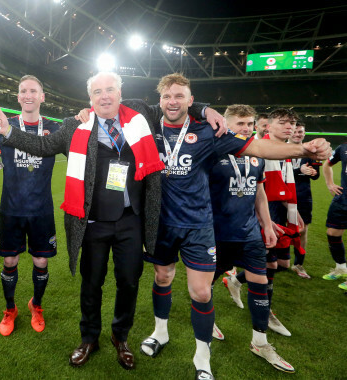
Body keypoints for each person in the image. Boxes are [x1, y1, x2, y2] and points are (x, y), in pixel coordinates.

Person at [0, 71, 218, 371]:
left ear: (120, 92)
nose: (104, 96)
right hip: (94, 221)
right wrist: (8, 133)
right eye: (97, 92)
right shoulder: (77, 125)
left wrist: (205, 109)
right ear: (90, 98)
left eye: (110, 89)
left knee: (128, 282)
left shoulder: (140, 115)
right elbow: (44, 147)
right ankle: (89, 338)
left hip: (130, 220)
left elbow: (175, 103)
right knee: (92, 282)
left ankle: (120, 337)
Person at [136, 75, 329, 380]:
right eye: (166, 96)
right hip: (160, 223)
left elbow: (260, 149)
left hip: (198, 225)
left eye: (180, 96)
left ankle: (202, 357)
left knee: (200, 292)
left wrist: (303, 150)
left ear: (190, 99)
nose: (172, 101)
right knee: (162, 276)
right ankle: (160, 333)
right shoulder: (146, 124)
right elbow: (115, 107)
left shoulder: (209, 131)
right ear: (158, 100)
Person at [209, 104, 294, 373]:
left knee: (260, 280)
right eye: (240, 124)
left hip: (248, 233)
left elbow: (259, 193)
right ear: (227, 123)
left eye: (250, 124)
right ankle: (206, 319)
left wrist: (267, 225)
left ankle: (260, 341)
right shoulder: (213, 151)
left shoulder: (256, 156)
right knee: (205, 284)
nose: (246, 129)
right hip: (216, 233)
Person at [0, 75, 60, 336]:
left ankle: (37, 304)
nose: (28, 95)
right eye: (23, 91)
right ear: (18, 96)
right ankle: (10, 309)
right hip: (10, 208)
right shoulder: (4, 125)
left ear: (42, 97)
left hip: (41, 209)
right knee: (10, 259)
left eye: (34, 90)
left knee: (41, 261)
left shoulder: (55, 128)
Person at [290, 121, 321, 278]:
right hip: (282, 196)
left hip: (303, 196)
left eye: (300, 132)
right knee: (278, 229)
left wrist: (313, 172)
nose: (297, 134)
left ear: (304, 132)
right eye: (295, 132)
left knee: (303, 231)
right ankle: (274, 260)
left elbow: (316, 175)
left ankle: (298, 264)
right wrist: (299, 170)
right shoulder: (280, 150)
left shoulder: (311, 152)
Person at [322, 142, 347, 290]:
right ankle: (341, 267)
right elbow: (327, 165)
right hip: (342, 199)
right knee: (332, 233)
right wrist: (330, 183)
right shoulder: (343, 148)